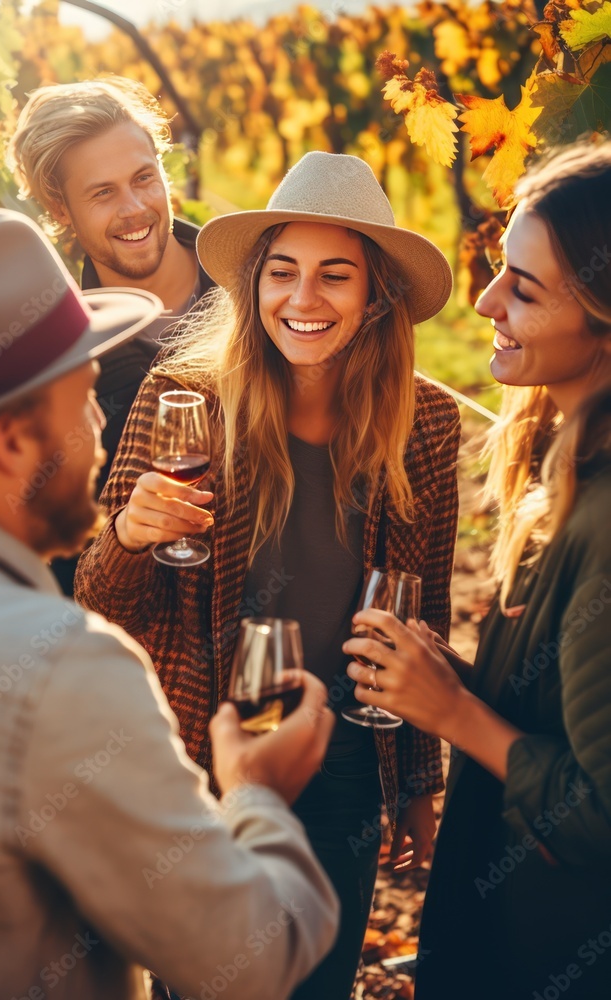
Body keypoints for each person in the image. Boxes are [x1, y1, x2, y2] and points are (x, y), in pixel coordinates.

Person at [75, 151, 462, 1000]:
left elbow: (423, 613)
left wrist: (417, 782)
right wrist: (130, 535)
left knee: (317, 982)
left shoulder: (425, 421)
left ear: (375, 297)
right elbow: (100, 605)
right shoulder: (183, 398)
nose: (303, 299)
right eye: (281, 272)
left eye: (335, 276)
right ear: (253, 286)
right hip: (208, 752)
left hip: (351, 751)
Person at [0, 207, 339, 1000]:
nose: (99, 427)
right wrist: (257, 794)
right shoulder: (60, 665)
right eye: (84, 399)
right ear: (14, 440)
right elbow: (250, 957)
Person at [343, 140, 611, 999]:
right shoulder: (563, 462)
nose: (487, 300)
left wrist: (452, 711)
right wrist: (458, 677)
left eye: (523, 290)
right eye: (501, 268)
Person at [8, 76, 215, 593]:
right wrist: (124, 535)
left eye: (144, 178)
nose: (134, 208)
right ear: (61, 210)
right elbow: (62, 561)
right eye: (103, 193)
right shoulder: (59, 365)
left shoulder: (260, 287)